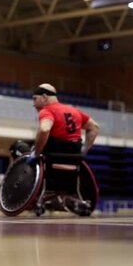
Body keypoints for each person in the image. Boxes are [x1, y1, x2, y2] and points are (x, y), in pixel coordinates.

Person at [27, 83, 100, 216]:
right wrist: (84, 150)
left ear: (44, 97)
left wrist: (36, 153)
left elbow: (44, 129)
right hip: (74, 162)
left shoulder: (47, 111)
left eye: (34, 98)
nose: (33, 103)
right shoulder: (75, 111)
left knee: (28, 151)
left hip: (52, 161)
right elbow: (94, 127)